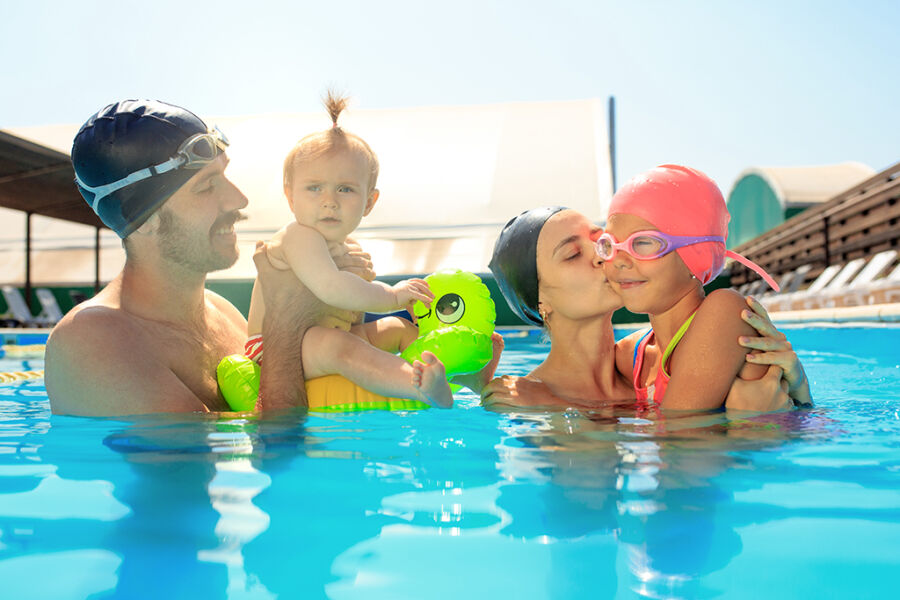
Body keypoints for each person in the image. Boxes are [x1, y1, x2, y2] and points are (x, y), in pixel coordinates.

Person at [45, 99, 370, 416]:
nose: (239, 199)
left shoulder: (223, 313)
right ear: (143, 220)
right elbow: (272, 447)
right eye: (206, 187)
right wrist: (286, 322)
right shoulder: (92, 341)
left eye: (224, 175)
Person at [483, 206, 811, 411]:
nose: (601, 255)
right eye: (572, 255)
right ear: (540, 302)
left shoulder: (651, 362)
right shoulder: (520, 399)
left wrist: (800, 395)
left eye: (600, 241)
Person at [245, 92, 452, 409]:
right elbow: (333, 287)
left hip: (325, 338)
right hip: (271, 349)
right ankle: (417, 387)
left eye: (345, 189)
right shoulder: (298, 237)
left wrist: (405, 301)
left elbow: (354, 303)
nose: (329, 201)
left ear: (369, 202)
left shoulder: (349, 248)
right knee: (338, 344)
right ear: (290, 196)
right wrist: (393, 296)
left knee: (396, 328)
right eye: (314, 187)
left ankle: (449, 372)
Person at [602, 164, 813, 409]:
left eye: (643, 243)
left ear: (697, 253)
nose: (619, 260)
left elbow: (680, 430)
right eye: (609, 245)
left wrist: (750, 425)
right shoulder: (632, 355)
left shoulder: (726, 311)